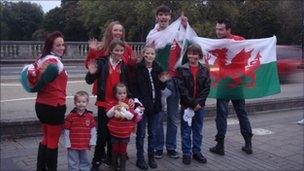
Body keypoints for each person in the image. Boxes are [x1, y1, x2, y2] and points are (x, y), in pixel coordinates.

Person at [85, 39, 134, 170]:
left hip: (118, 105)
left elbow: (128, 85)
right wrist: (91, 72)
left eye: (121, 50)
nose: (119, 53)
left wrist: (130, 98)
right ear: (111, 51)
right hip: (103, 104)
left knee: (115, 134)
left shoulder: (123, 65)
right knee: (102, 135)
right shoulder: (102, 63)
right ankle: (96, 161)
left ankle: (112, 160)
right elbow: (89, 80)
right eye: (117, 50)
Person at [147, 4, 188, 160]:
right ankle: (158, 147)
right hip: (158, 81)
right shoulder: (152, 35)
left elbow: (187, 46)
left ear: (170, 17)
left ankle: (171, 147)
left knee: (172, 116)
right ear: (156, 17)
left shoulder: (177, 33)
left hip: (173, 80)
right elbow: (148, 57)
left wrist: (185, 26)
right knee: (158, 116)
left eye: (166, 15)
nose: (163, 17)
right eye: (160, 15)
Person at [209, 18, 253, 155]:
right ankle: (248, 144)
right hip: (236, 83)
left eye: (221, 29)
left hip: (227, 84)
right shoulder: (240, 40)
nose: (218, 32)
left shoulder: (221, 44)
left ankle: (220, 146)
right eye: (217, 29)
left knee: (222, 115)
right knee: (241, 113)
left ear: (229, 30)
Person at [32, 31, 68, 170]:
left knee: (46, 138)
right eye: (58, 45)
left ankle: (40, 168)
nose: (61, 48)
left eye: (62, 44)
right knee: (52, 141)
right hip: (54, 106)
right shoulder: (53, 61)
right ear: (50, 46)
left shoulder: (41, 59)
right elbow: (55, 68)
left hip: (41, 105)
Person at [131, 46, 168, 169]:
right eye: (147, 53)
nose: (150, 55)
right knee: (141, 133)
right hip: (142, 107)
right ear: (143, 54)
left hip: (155, 106)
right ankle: (140, 158)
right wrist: (137, 103)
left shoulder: (158, 68)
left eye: (152, 53)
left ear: (155, 55)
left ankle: (151, 157)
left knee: (152, 133)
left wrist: (163, 81)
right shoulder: (137, 68)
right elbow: (133, 87)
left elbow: (162, 88)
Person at [177, 44, 210, 165]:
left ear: (199, 55)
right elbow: (182, 89)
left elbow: (206, 88)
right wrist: (192, 103)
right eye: (190, 53)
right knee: (186, 130)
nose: (192, 56)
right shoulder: (182, 69)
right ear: (187, 54)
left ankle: (197, 152)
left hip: (200, 107)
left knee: (198, 130)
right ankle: (186, 153)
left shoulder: (204, 69)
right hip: (187, 106)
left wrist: (199, 103)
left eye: (195, 53)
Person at [84, 21, 137, 95]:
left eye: (120, 31)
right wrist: (92, 52)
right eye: (115, 30)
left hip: (121, 91)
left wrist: (133, 63)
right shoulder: (101, 48)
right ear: (109, 32)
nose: (118, 32)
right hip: (104, 88)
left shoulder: (127, 48)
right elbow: (89, 65)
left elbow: (130, 70)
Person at [106, 83, 143, 171]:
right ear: (115, 94)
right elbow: (108, 115)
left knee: (123, 150)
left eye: (124, 93)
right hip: (114, 132)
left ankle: (122, 167)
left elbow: (131, 116)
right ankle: (114, 166)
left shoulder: (129, 103)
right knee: (114, 150)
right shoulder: (112, 103)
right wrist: (114, 108)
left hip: (125, 133)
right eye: (119, 93)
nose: (122, 95)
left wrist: (123, 110)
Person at [64, 91, 97, 171]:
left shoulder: (90, 116)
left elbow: (93, 130)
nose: (81, 104)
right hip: (73, 145)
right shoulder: (70, 116)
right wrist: (67, 142)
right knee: (72, 162)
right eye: (78, 102)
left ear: (87, 103)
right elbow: (66, 130)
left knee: (85, 161)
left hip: (85, 145)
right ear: (75, 102)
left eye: (83, 102)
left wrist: (92, 141)